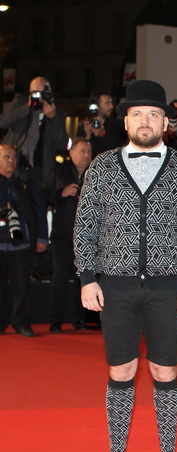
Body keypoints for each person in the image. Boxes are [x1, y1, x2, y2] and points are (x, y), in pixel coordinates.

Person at [74, 80, 177, 452]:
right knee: (121, 369)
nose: (146, 121)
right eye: (138, 114)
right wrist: (86, 278)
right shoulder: (102, 166)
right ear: (126, 120)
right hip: (114, 285)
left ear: (166, 122)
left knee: (165, 369)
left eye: (154, 114)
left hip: (170, 286)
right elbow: (85, 225)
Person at [42, 138, 92, 332]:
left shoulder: (95, 173)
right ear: (71, 153)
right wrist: (60, 194)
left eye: (89, 152)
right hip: (62, 234)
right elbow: (42, 194)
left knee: (84, 279)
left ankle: (80, 319)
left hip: (88, 236)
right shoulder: (59, 171)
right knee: (60, 278)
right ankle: (55, 321)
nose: (86, 156)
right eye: (82, 151)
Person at [0, 144, 48, 336]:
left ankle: (21, 323)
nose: (11, 160)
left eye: (13, 157)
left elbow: (39, 210)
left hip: (24, 243)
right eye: (6, 157)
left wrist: (42, 237)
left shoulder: (26, 182)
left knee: (23, 286)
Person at [0, 76, 69, 185]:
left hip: (39, 170)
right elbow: (3, 122)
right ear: (30, 92)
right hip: (13, 164)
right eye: (35, 93)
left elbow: (62, 143)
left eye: (43, 93)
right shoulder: (20, 102)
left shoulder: (57, 115)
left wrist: (52, 117)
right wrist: (27, 108)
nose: (39, 98)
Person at [84, 91, 127, 158]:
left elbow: (119, 151)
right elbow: (85, 155)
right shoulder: (85, 126)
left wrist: (103, 135)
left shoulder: (118, 125)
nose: (111, 106)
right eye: (107, 103)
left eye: (111, 103)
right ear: (96, 106)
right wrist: (88, 137)